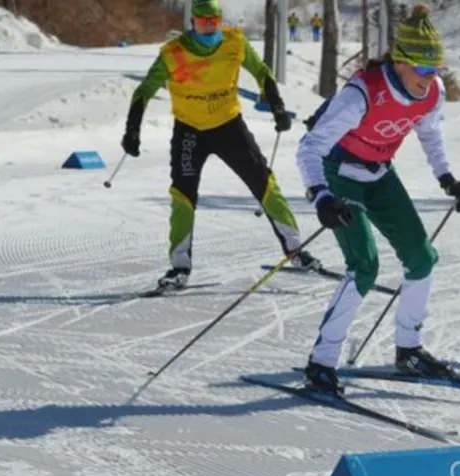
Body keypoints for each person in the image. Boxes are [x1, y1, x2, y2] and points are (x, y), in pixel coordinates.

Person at [294, 3, 460, 394]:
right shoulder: (362, 93)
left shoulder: (432, 92)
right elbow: (310, 147)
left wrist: (447, 178)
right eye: (423, 69)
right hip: (340, 173)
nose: (430, 78)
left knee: (422, 257)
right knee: (365, 266)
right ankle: (321, 362)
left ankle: (409, 349)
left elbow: (430, 133)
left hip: (378, 173)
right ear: (401, 62)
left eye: (436, 69)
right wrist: (321, 197)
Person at [121, 0, 320, 290]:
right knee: (182, 195)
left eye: (214, 22)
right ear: (193, 23)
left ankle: (295, 250)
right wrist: (132, 129)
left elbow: (262, 72)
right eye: (204, 23)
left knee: (264, 182)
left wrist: (277, 106)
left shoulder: (234, 43)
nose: (210, 29)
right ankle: (179, 267)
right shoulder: (174, 53)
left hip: (228, 127)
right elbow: (145, 89)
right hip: (190, 130)